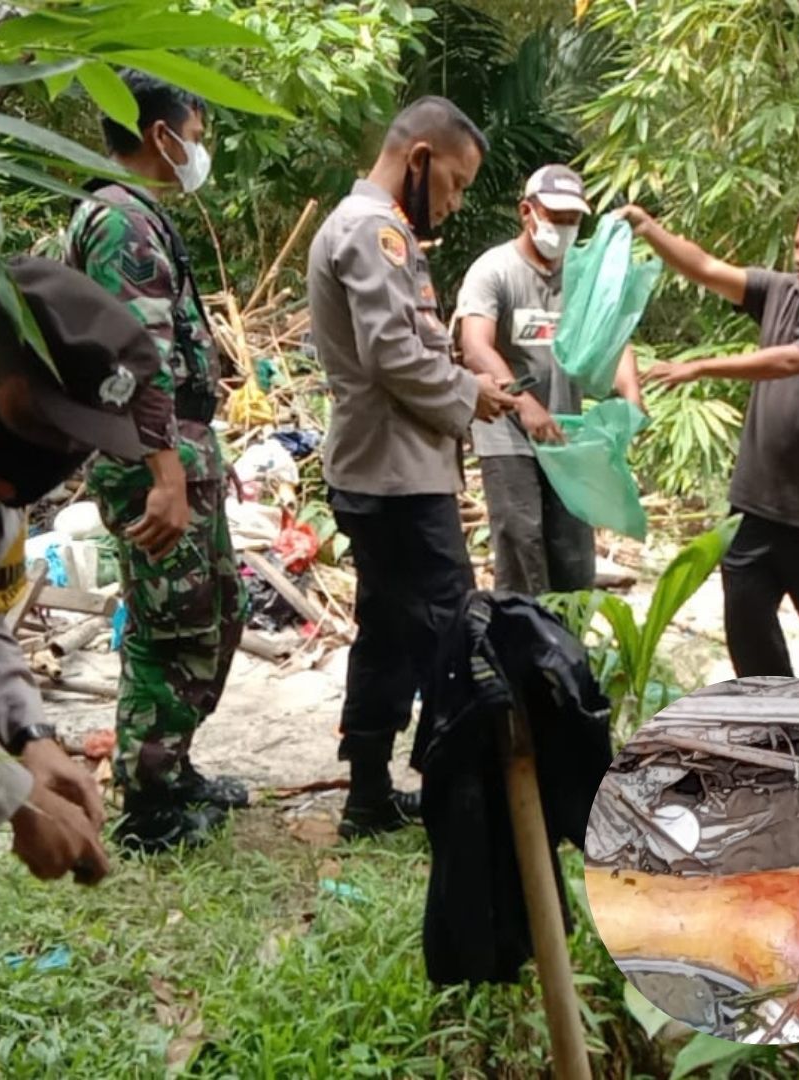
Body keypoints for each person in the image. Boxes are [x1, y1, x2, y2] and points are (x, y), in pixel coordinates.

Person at [308, 96, 517, 840]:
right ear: (419, 158)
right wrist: (472, 395)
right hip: (394, 481)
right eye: (455, 183)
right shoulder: (373, 231)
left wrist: (462, 380)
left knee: (389, 634)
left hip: (389, 472)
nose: (456, 204)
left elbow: (406, 346)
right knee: (449, 635)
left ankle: (368, 794)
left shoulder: (378, 230)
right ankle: (462, 798)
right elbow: (392, 355)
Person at [65, 70, 249, 854]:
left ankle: (170, 766)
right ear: (161, 136)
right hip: (153, 457)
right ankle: (150, 807)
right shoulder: (120, 225)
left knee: (213, 613)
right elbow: (133, 360)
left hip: (174, 448)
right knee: (171, 630)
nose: (198, 154)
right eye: (196, 138)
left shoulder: (133, 218)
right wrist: (167, 474)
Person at [617, 199, 799, 698]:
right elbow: (704, 267)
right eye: (796, 246)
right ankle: (781, 736)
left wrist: (700, 367)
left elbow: (789, 361)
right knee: (749, 641)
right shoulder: (780, 291)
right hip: (756, 512)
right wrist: (647, 227)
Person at [0, 256, 182, 882]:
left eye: (79, 439)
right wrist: (11, 796)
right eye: (43, 421)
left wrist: (30, 735)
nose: (54, 454)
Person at [454, 164, 643, 595]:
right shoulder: (495, 270)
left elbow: (613, 334)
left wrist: (630, 396)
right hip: (507, 434)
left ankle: (568, 649)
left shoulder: (583, 275)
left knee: (573, 550)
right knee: (521, 541)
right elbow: (476, 346)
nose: (562, 228)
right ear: (527, 211)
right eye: (554, 218)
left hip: (566, 434)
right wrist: (523, 401)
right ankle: (522, 651)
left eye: (572, 221)